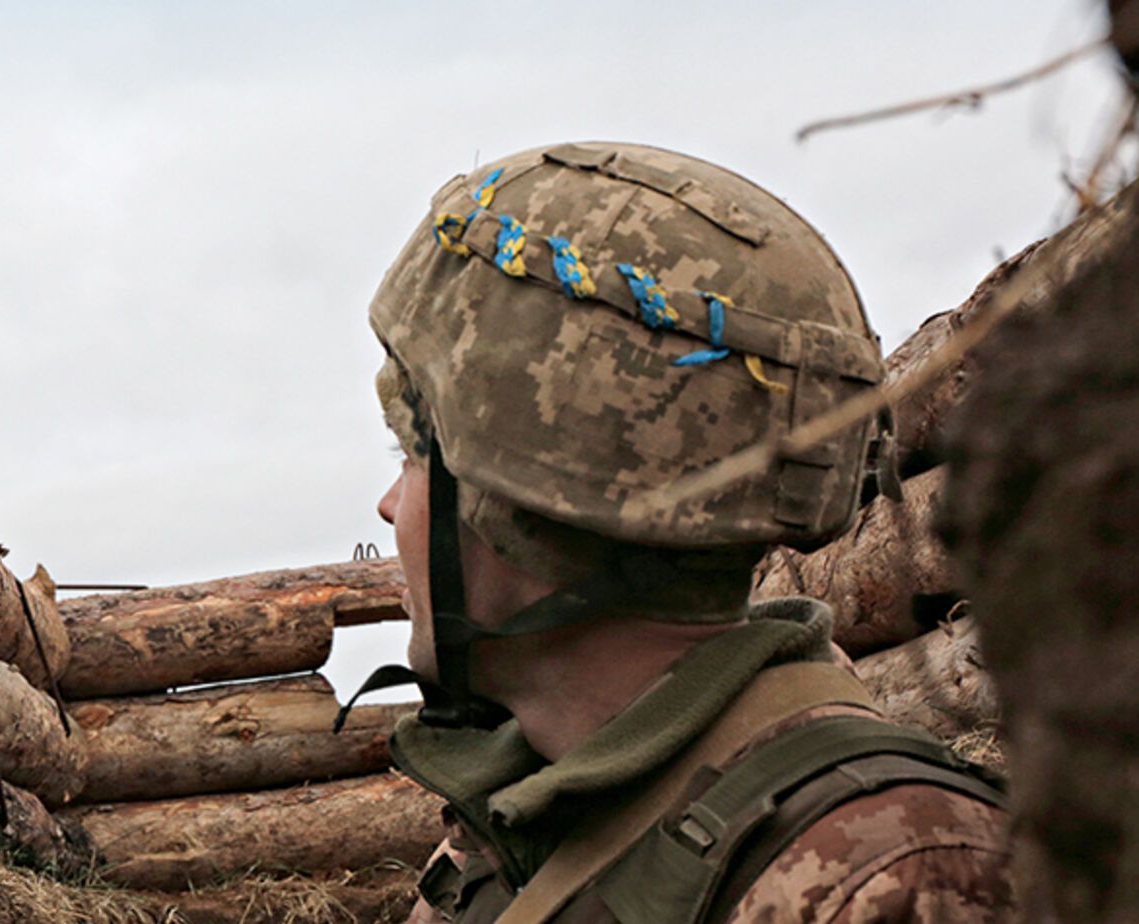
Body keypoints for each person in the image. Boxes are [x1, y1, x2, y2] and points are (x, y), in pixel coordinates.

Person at [343, 143, 1014, 922]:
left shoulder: (895, 877)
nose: (390, 507)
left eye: (414, 456)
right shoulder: (521, 826)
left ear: (520, 509)